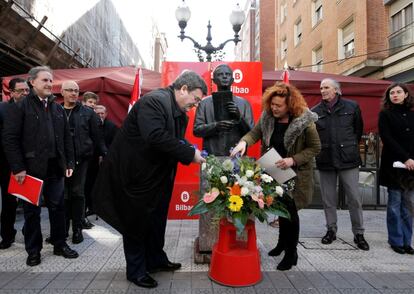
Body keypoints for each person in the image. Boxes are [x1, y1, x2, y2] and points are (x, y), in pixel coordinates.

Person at [92, 70, 207, 288]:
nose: (196, 105)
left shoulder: (180, 112)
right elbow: (155, 136)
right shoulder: (154, 102)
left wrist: (187, 149)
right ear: (183, 89)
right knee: (136, 222)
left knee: (157, 219)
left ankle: (155, 259)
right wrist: (190, 154)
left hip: (158, 175)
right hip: (136, 175)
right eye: (195, 99)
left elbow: (175, 140)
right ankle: (136, 270)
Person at [231, 82, 321, 271]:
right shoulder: (268, 117)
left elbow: (315, 148)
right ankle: (281, 244)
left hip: (296, 174)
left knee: (291, 213)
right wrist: (243, 143)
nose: (274, 108)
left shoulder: (305, 122)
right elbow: (254, 134)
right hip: (273, 168)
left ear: (290, 105)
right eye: (272, 104)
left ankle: (291, 253)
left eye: (278, 106)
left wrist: (293, 160)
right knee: (280, 210)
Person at [2, 66, 78, 266]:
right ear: (32, 82)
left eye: (51, 81)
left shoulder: (57, 107)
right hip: (31, 169)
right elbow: (10, 139)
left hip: (55, 167)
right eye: (45, 80)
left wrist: (69, 161)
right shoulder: (20, 107)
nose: (49, 84)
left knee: (58, 207)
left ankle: (60, 244)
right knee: (32, 211)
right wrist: (18, 167)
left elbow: (65, 139)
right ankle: (33, 250)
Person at [312, 78, 369, 251]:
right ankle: (331, 230)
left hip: (348, 159)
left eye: (326, 87)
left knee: (354, 199)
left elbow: (357, 131)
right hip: (326, 159)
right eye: (321, 88)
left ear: (336, 90)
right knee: (328, 199)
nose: (323, 90)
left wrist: (348, 147)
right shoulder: (314, 111)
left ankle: (359, 233)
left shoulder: (352, 107)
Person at [61, 81, 106, 244]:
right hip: (61, 160)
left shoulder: (87, 113)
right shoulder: (56, 110)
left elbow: (97, 136)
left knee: (77, 193)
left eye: (76, 91)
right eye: (70, 90)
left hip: (81, 158)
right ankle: (62, 230)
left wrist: (105, 154)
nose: (73, 93)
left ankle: (77, 229)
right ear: (62, 92)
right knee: (63, 195)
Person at [378, 83, 414, 254]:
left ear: (406, 94)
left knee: (408, 206)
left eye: (399, 92)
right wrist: (405, 157)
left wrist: (411, 159)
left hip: (411, 167)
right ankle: (396, 240)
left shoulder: (413, 114)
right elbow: (387, 137)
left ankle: (407, 241)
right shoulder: (385, 114)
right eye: (392, 93)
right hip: (394, 165)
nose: (395, 95)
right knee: (394, 205)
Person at [193, 64, 254, 155]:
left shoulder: (244, 103)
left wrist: (239, 117)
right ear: (214, 80)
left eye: (228, 74)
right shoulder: (204, 103)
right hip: (212, 156)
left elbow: (252, 133)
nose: (225, 76)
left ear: (233, 80)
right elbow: (196, 130)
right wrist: (216, 126)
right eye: (220, 74)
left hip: (236, 157)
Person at [0, 78, 30, 249]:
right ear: (11, 93)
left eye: (27, 90)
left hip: (27, 163)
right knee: (8, 201)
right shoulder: (3, 109)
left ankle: (29, 231)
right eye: (21, 91)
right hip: (5, 163)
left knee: (29, 200)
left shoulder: (33, 108)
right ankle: (7, 235)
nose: (25, 94)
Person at [84, 104, 118, 216]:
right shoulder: (89, 125)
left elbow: (115, 144)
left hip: (106, 160)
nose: (100, 116)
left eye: (102, 113)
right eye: (97, 114)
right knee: (89, 185)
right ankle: (90, 206)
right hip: (91, 161)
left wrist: (105, 155)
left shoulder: (112, 126)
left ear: (106, 114)